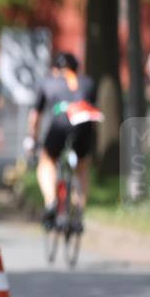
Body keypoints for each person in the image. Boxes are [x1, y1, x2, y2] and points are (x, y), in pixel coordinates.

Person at [24, 51, 98, 231]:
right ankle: (79, 210)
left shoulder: (47, 82)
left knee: (47, 161)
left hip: (59, 124)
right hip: (83, 125)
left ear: (55, 69)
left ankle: (51, 201)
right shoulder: (88, 82)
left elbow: (35, 117)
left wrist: (32, 139)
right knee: (81, 168)